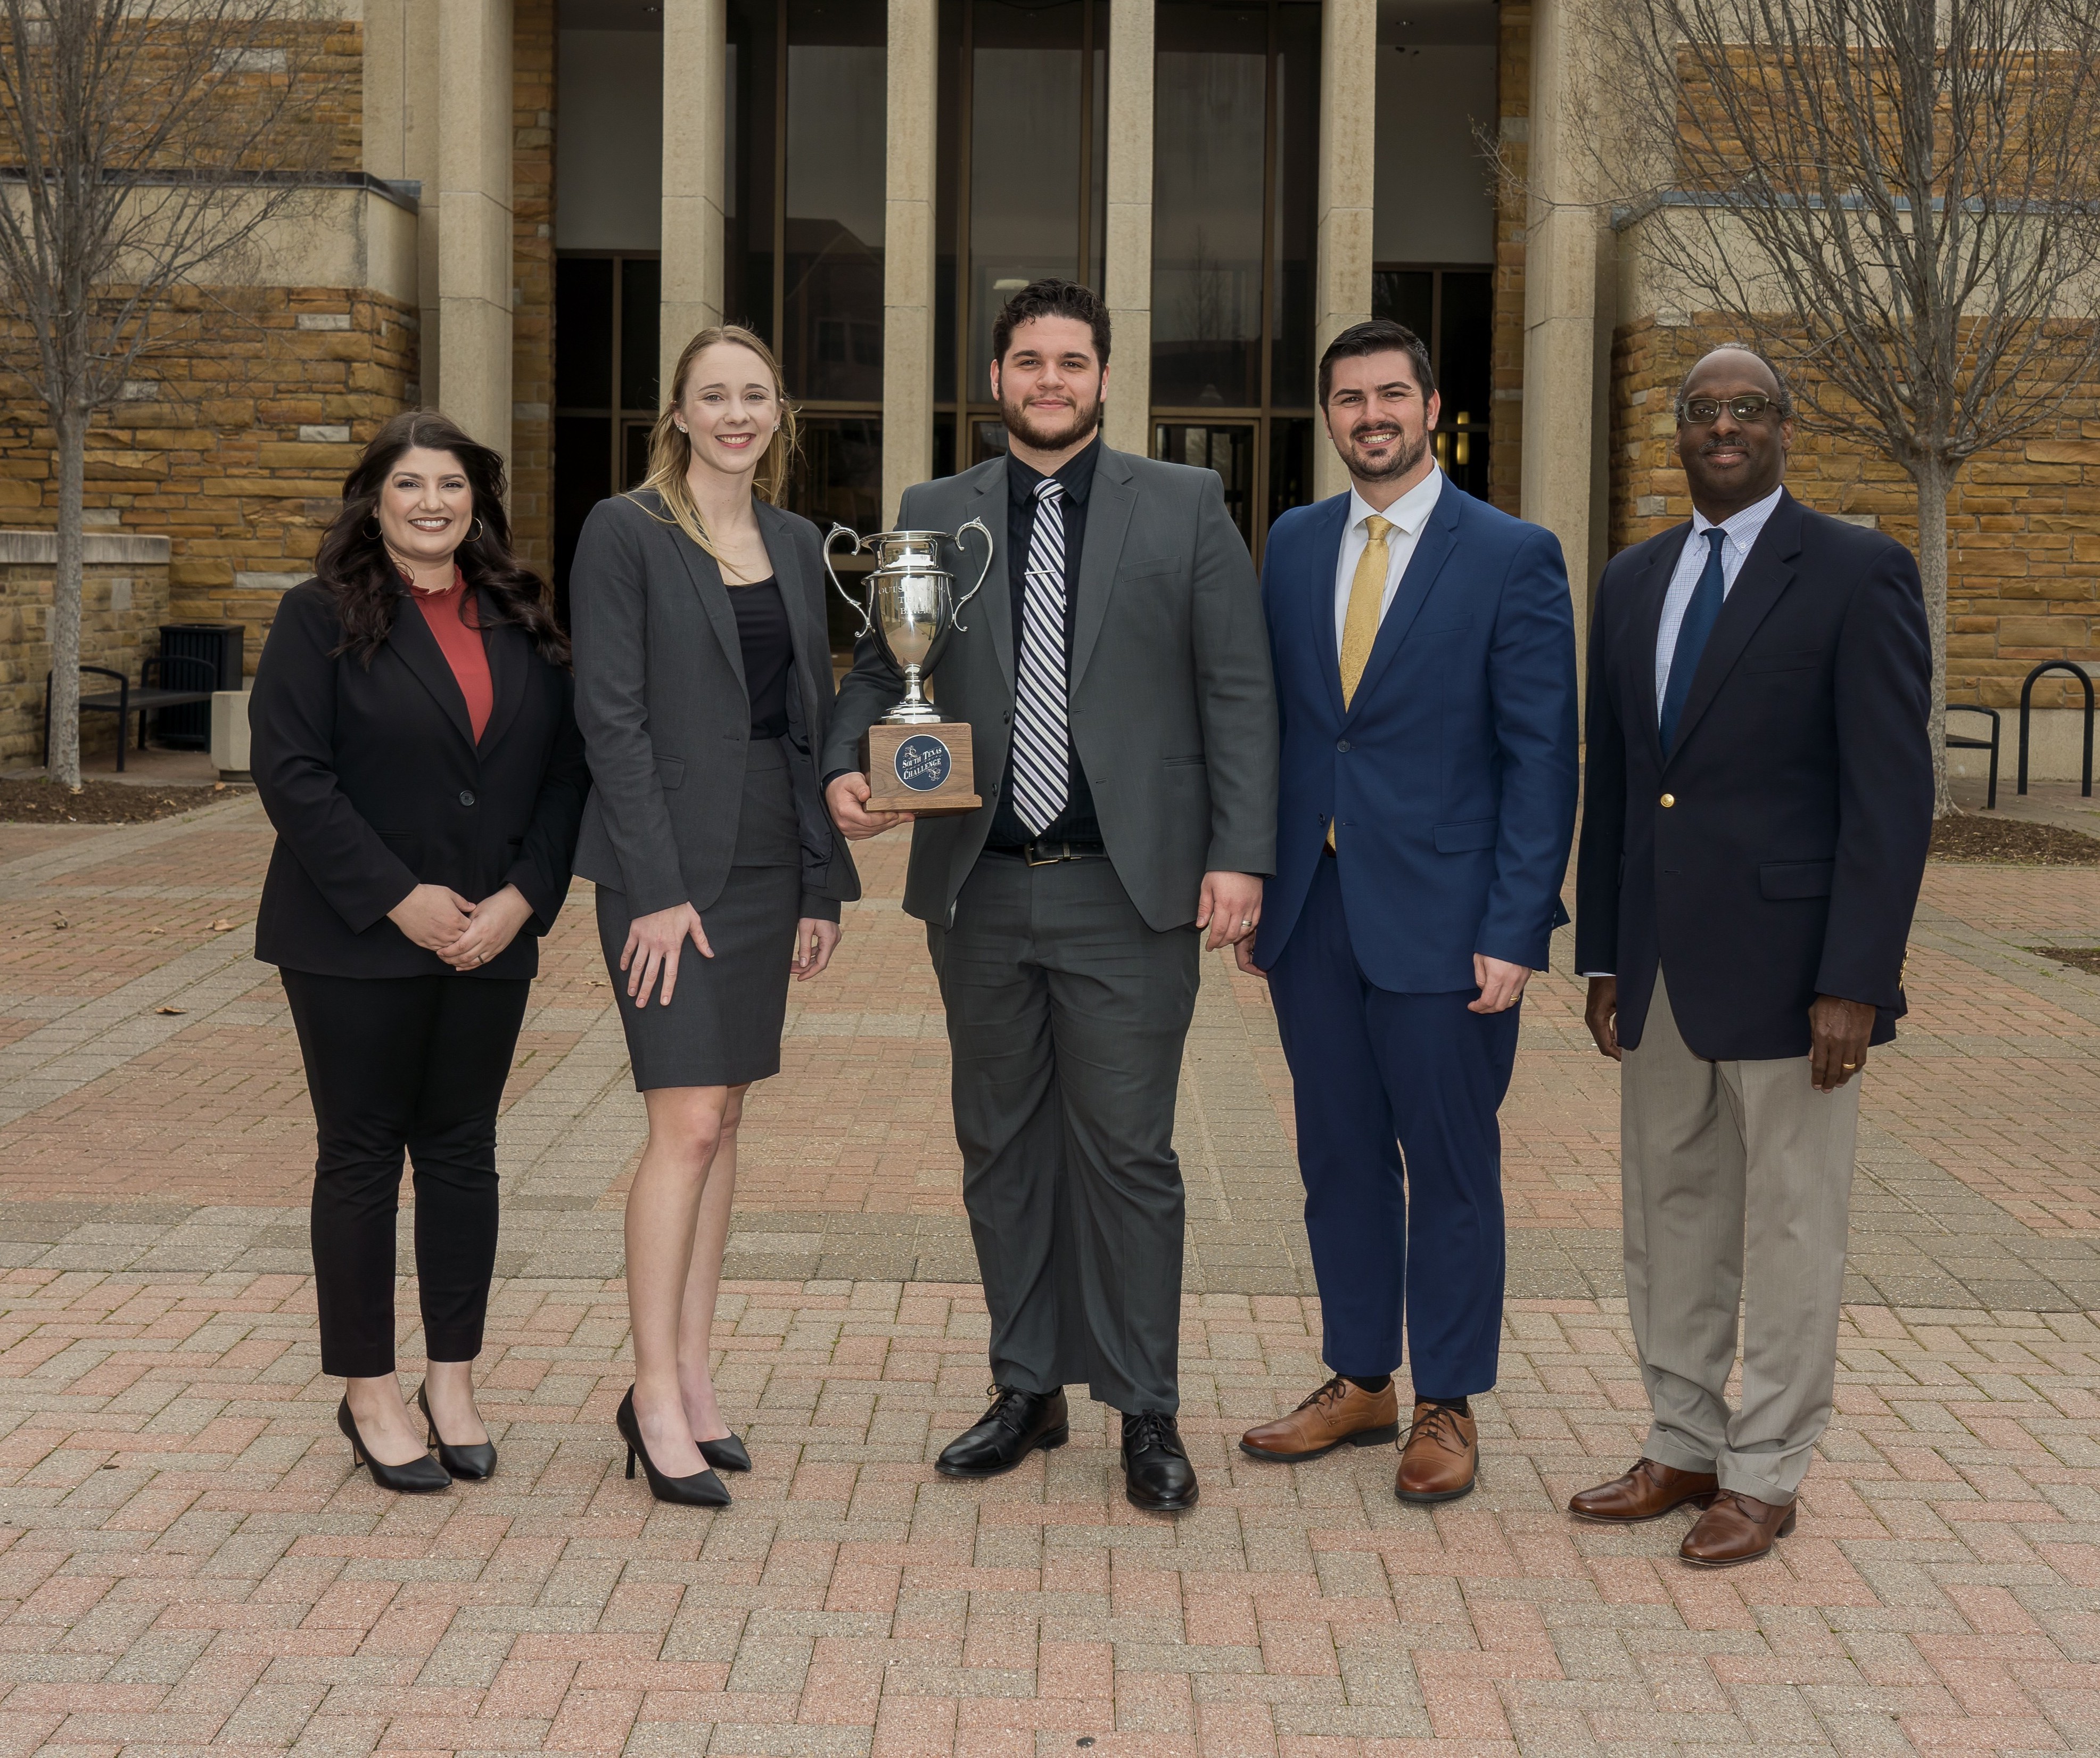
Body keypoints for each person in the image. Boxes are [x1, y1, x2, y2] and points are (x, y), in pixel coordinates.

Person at [824, 279, 1277, 1513]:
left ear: (1103, 378)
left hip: (1126, 893)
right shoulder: (933, 510)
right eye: (1028, 360)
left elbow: (1237, 689)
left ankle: (1145, 1405)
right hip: (976, 889)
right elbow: (878, 668)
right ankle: (1026, 1387)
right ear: (996, 377)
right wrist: (843, 764)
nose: (1049, 381)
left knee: (1127, 1154)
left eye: (1071, 362)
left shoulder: (1183, 503)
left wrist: (1239, 854)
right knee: (1001, 1147)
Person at [1571, 346, 1932, 1565]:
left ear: (1783, 427)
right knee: (1668, 1214)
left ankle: (1765, 1469)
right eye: (1701, 410)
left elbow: (1888, 796)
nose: (1721, 426)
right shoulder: (1632, 579)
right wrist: (1605, 955)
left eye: (1746, 408)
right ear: (1675, 432)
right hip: (1660, 970)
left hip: (1794, 978)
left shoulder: (1856, 572)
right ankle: (1681, 1440)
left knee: (1787, 1226)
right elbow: (1621, 786)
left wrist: (1854, 980)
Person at [1235, 319, 1578, 1502]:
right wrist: (1255, 878)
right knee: (1336, 1155)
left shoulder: (1512, 554)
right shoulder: (1292, 542)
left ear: (1431, 406)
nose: (1369, 415)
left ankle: (1448, 1400)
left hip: (1448, 919)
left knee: (1448, 1163)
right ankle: (1360, 1378)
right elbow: (1280, 727)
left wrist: (1515, 925)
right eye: (1348, 398)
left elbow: (1541, 756)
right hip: (1314, 910)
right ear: (1326, 415)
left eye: (1391, 394)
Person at [251, 411, 589, 1494]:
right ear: (375, 500)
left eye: (450, 484)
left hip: (491, 935)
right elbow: (292, 773)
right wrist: (399, 898)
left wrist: (524, 898)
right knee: (360, 1157)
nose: (432, 503)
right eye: (409, 484)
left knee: (462, 1152)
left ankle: (452, 1381)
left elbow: (567, 772)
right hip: (355, 937)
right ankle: (369, 1392)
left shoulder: (523, 615)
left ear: (476, 500)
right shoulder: (318, 617)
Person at [570, 325, 859, 1506]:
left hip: (765, 858)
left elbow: (808, 719)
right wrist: (655, 888)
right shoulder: (625, 530)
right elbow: (611, 718)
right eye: (714, 396)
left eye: (755, 395)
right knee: (684, 1123)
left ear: (778, 412)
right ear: (678, 413)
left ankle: (692, 1375)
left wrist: (821, 881)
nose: (736, 414)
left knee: (726, 1118)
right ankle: (649, 1393)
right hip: (666, 870)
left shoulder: (793, 540)